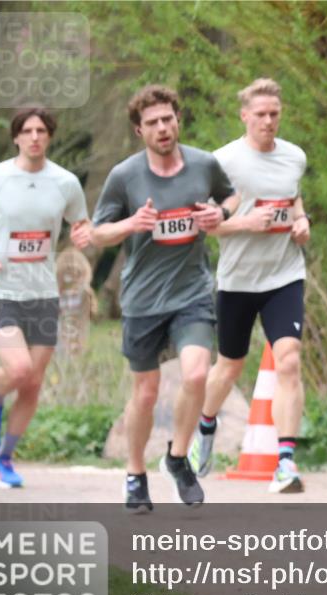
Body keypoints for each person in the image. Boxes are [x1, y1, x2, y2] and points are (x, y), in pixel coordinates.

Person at [89, 85, 235, 511]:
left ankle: (177, 457)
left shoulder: (204, 164)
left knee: (195, 375)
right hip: (142, 300)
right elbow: (98, 232)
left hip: (191, 293)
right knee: (146, 393)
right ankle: (135, 475)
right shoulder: (125, 176)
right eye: (152, 122)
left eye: (168, 119)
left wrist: (220, 213)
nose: (162, 127)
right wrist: (132, 223)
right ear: (140, 130)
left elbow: (231, 194)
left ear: (178, 120)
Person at [189, 78, 310, 493]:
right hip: (238, 281)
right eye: (260, 114)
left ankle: (286, 463)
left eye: (274, 113)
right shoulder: (221, 162)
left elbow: (293, 198)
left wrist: (302, 220)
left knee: (289, 360)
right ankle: (204, 427)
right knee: (230, 366)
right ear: (244, 116)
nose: (268, 121)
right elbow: (205, 225)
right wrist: (246, 223)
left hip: (285, 275)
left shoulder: (294, 157)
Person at [0, 107, 93, 489]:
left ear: (49, 137)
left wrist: (84, 234)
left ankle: (4, 459)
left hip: (42, 292)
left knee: (33, 383)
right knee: (18, 370)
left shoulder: (66, 182)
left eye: (41, 130)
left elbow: (80, 224)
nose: (34, 137)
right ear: (16, 137)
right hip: (0, 289)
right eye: (27, 130)